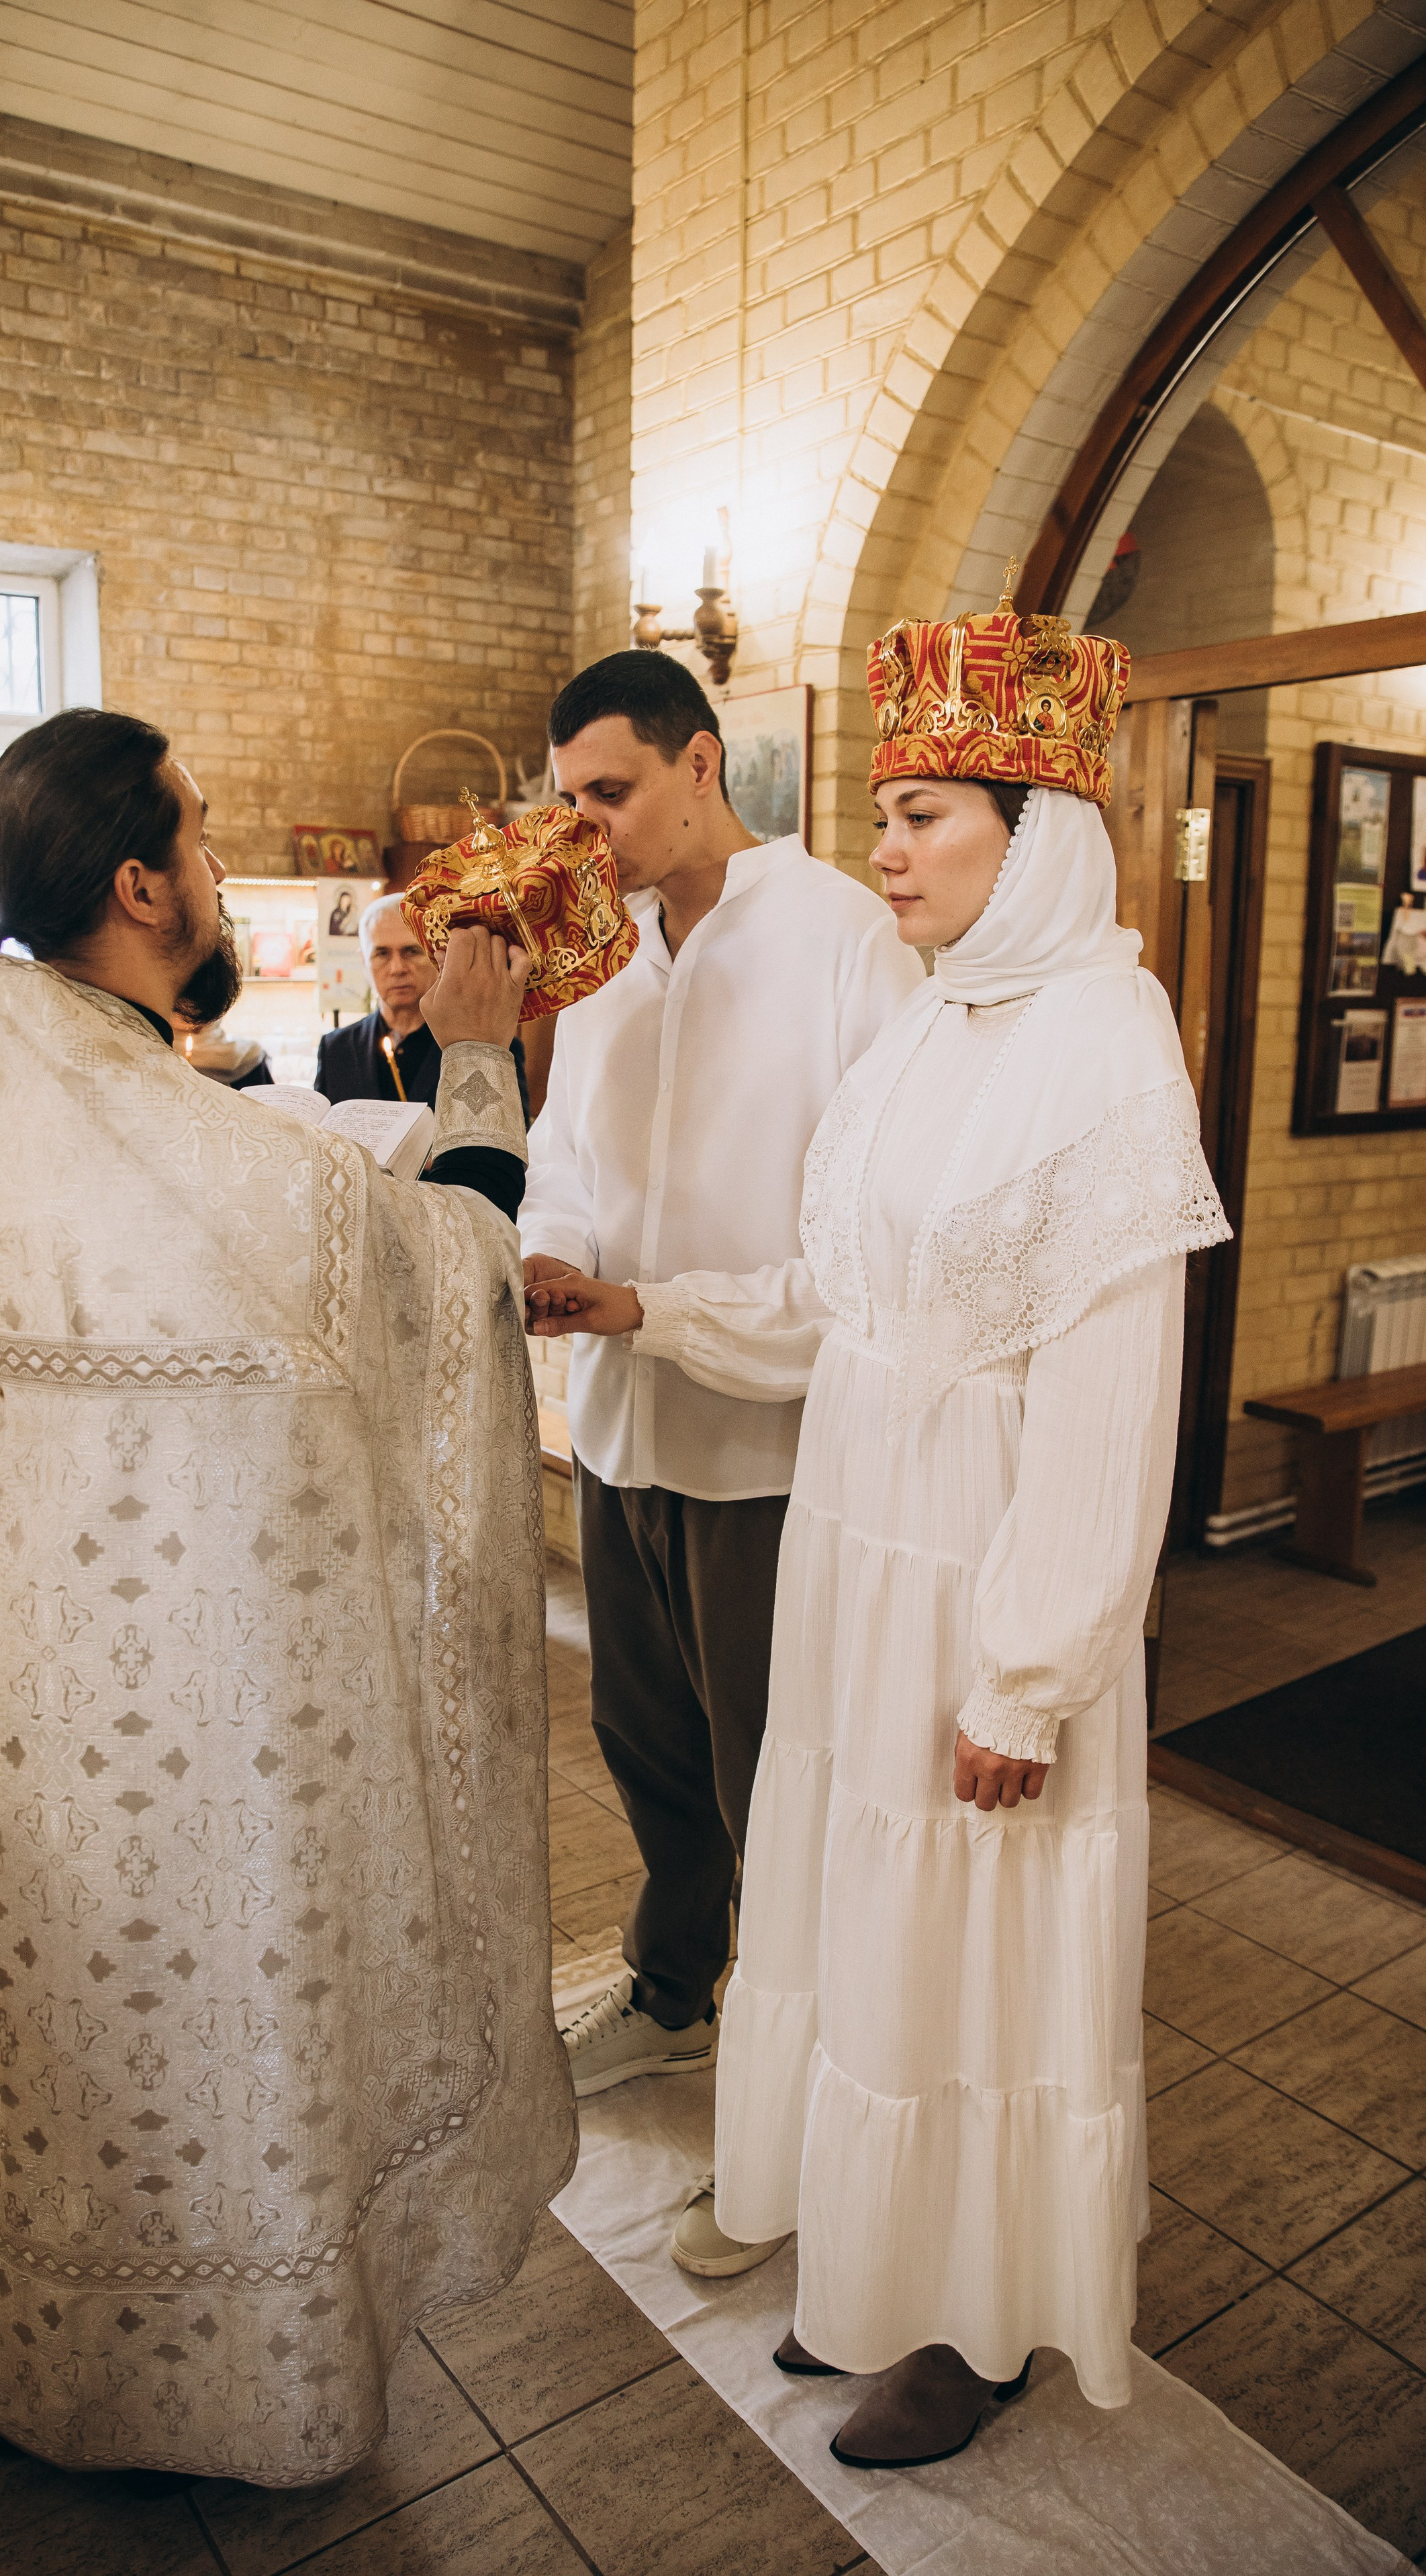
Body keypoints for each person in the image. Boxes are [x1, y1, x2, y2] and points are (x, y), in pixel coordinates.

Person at [528, 593, 1231, 2465]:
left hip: (984, 1574)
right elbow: (840, 1296)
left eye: (931, 812)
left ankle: (981, 2317)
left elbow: (1108, 1401)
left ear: (1044, 833)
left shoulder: (1106, 1036)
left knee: (983, 1949)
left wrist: (1034, 1669)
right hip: (855, 1544)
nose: (888, 843)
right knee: (868, 1924)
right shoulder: (933, 1028)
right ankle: (878, 2263)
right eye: (889, 808)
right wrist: (648, 1312)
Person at [0, 707, 573, 2489]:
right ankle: (243, 2390)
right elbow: (453, 1282)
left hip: (39, 1713)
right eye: (197, 842)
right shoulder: (154, 1124)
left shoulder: (12, 1080)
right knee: (211, 2042)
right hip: (197, 1717)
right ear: (138, 881)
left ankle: (62, 2365)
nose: (215, 872)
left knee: (88, 2058)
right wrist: (479, 1069)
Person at [520, 650, 921, 2159]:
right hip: (620, 1427)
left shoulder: (844, 942)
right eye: (568, 800)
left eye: (609, 793)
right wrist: (552, 1249)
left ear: (704, 763)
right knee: (648, 1746)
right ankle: (674, 1989)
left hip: (771, 1444)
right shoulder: (605, 954)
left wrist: (656, 1309)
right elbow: (566, 1145)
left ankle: (803, 2087)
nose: (587, 830)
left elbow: (870, 1241)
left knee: (779, 1784)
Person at [316, 894, 530, 1119]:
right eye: (382, 953)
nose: (398, 968)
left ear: (435, 955)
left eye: (412, 951)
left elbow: (513, 1138)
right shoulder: (335, 1049)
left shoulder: (487, 1046)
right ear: (363, 962)